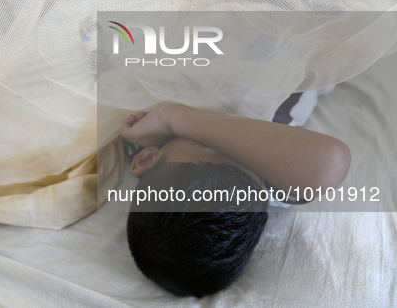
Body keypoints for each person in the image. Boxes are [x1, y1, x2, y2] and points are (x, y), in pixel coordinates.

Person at [121, 101, 351, 298]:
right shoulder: (280, 181)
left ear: (146, 159)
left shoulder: (140, 135)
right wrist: (171, 117)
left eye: (206, 144)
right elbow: (331, 160)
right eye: (249, 158)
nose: (232, 143)